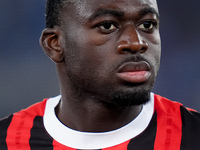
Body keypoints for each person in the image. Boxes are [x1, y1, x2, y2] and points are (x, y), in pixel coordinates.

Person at [0, 0, 200, 149]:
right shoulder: (8, 141)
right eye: (107, 26)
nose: (136, 42)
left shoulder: (192, 136)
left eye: (147, 25)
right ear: (55, 44)